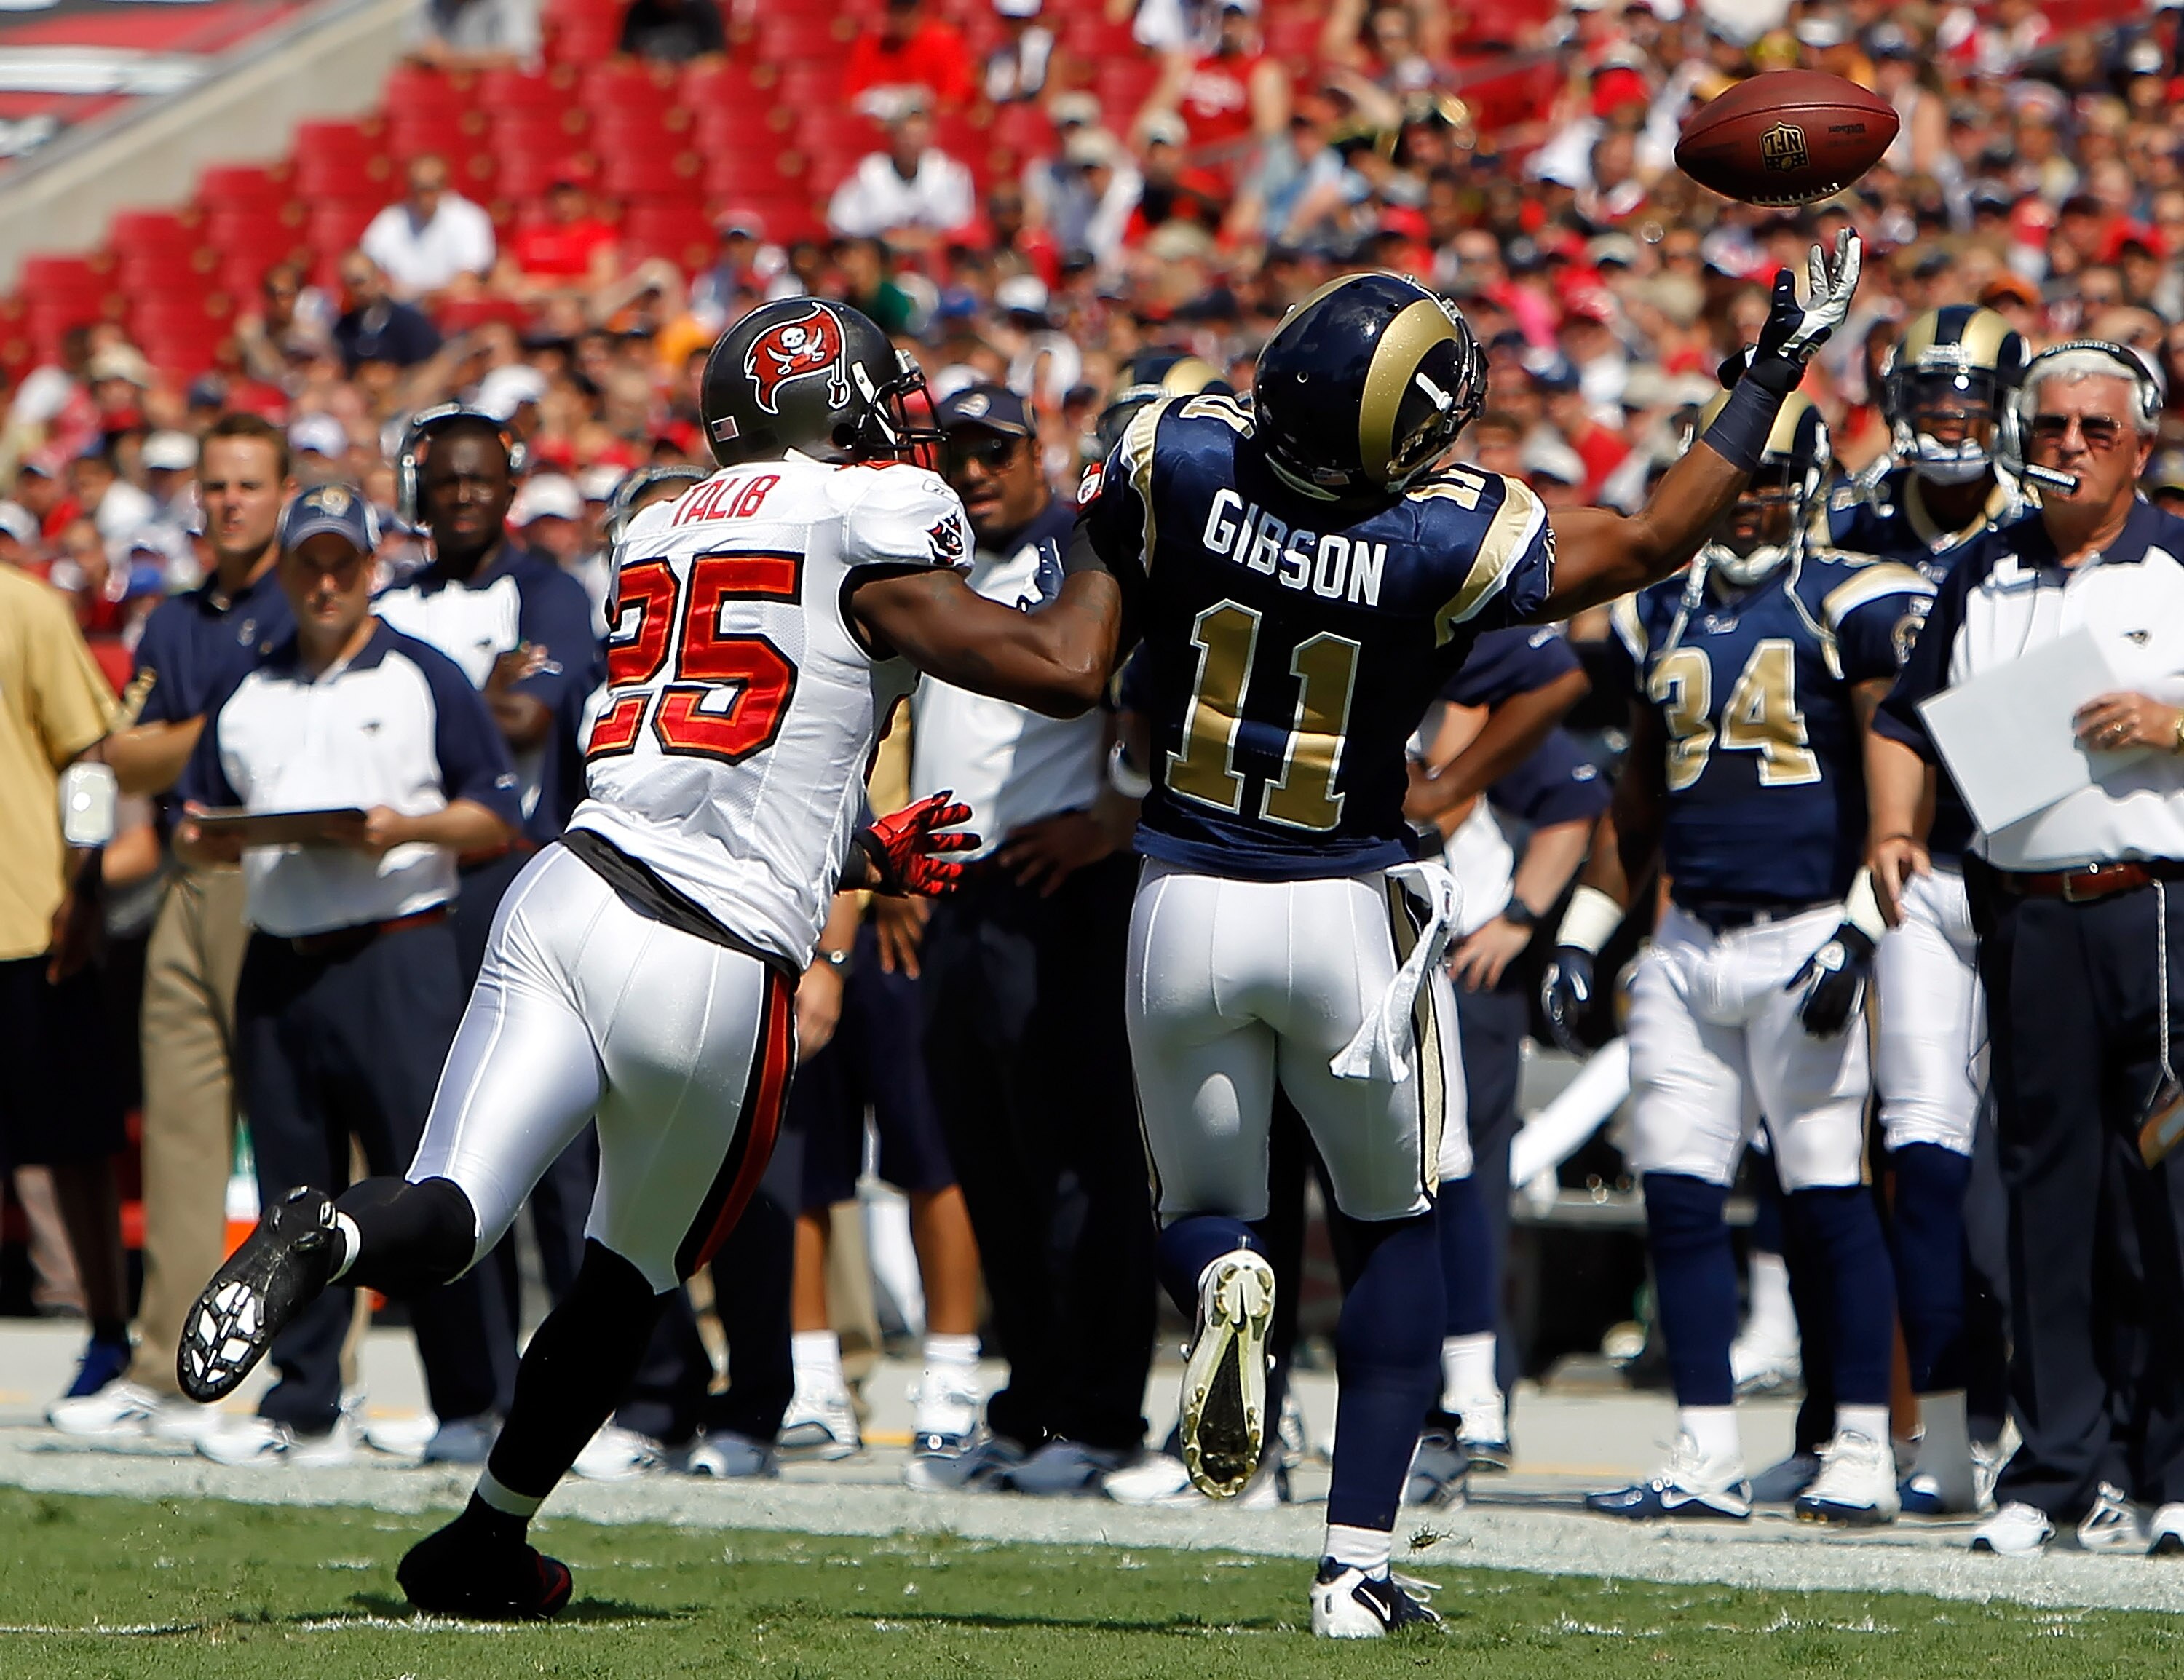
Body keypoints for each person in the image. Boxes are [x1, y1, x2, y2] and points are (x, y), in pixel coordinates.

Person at [175, 298, 1125, 1620]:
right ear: (824, 410)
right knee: (626, 1275)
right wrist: (1117, 526)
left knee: (447, 1214)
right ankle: (490, 1528)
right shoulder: (865, 518)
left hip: (566, 895)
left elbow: (732, 742)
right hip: (714, 965)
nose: (897, 422)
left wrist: (852, 851)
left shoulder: (663, 519)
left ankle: (325, 1230)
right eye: (874, 397)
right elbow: (1066, 665)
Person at [1078, 240, 1861, 1635]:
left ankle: (1226, 1281)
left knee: (1198, 1207)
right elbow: (1660, 534)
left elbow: (1109, 581)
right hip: (1352, 908)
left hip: (1185, 885)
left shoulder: (1175, 451)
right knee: (1395, 1230)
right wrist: (1772, 365)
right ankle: (1354, 1568)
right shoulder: (1450, 531)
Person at [1543, 393, 1931, 1529]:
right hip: (1687, 939)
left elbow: (1895, 772)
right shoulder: (1655, 614)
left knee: (1826, 1195)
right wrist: (1579, 938)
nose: (1752, 499)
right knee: (1678, 1193)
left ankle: (1859, 1440)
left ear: (1806, 483)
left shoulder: (1847, 601)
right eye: (1736, 479)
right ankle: (1704, 1445)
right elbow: (1634, 801)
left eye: (1772, 477)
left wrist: (1862, 926)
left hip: (1806, 925)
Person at [1870, 340, 2184, 1558]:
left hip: (2157, 905)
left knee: (2165, 1189)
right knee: (2043, 1196)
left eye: (2092, 430)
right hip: (2026, 911)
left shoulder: (2176, 558)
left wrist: (2173, 719)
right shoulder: (1985, 566)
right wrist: (1893, 824)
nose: (2064, 446)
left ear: (2139, 448)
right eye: (2048, 425)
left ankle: (2169, 1464)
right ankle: (2054, 1468)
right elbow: (1906, 715)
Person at [173, 484, 523, 1467]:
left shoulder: (423, 675)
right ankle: (304, 1398)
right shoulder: (250, 688)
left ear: (372, 567)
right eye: (308, 565)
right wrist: (213, 840)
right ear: (283, 572)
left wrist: (399, 827)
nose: (325, 582)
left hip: (395, 952)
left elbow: (493, 814)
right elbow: (197, 824)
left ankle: (473, 1402)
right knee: (295, 1187)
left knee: (427, 1189)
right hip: (283, 960)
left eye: (343, 563)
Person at [889, 384, 1153, 1494]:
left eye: (997, 451)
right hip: (953, 898)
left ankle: (1098, 1414)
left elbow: (1155, 696)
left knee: (1079, 1170)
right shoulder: (939, 567)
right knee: (987, 1166)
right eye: (960, 453)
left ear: (1038, 455)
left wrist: (1117, 817)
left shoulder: (1079, 562)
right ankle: (1031, 1402)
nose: (978, 471)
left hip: (1050, 895)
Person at [47, 415, 296, 1441]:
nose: (231, 500)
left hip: (283, 877)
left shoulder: (306, 597)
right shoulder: (175, 622)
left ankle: (299, 1370)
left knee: (295, 1127)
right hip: (191, 878)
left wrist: (154, 751)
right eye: (217, 484)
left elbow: (162, 747)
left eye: (249, 483)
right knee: (185, 1126)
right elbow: (111, 760)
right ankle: (169, 1363)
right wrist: (88, 875)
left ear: (281, 493)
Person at [1401, 628, 1603, 1498]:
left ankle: (1475, 1391)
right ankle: (1413, 1393)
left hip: (1451, 967)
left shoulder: (1463, 689)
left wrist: (1520, 916)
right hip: (1354, 966)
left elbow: (1571, 792)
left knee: (1463, 1178)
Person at [0, 555, 125, 1403]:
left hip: (26, 914)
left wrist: (82, 886)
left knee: (75, 1145)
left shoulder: (27, 606)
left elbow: (91, 758)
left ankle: (110, 1332)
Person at [1824, 306, 2030, 572]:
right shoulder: (1852, 514)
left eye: (1971, 393)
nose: (1947, 409)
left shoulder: (2037, 519)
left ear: (2010, 406)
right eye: (1929, 391)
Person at [826, 106, 976, 248]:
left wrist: (920, 238)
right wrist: (887, 238)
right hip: (882, 258)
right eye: (906, 136)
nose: (913, 144)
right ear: (893, 136)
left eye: (919, 136)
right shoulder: (869, 173)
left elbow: (960, 228)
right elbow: (843, 223)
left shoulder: (950, 173)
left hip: (934, 259)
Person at [360, 155, 497, 304]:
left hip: (451, 309)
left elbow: (469, 281)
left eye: (432, 187)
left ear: (445, 185)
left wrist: (422, 296)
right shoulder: (391, 220)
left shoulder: (470, 218)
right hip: (401, 310)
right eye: (419, 187)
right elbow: (366, 266)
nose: (425, 195)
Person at [331, 252, 441, 374]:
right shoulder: (343, 329)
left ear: (378, 279)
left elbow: (427, 367)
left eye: (360, 282)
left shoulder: (410, 323)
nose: (356, 290)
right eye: (349, 284)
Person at [616, 0, 723, 63]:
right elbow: (622, 57)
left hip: (692, 91)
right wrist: (648, 70)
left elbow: (717, 58)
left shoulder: (703, 9)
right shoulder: (637, 11)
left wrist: (678, 71)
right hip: (650, 88)